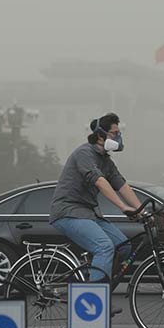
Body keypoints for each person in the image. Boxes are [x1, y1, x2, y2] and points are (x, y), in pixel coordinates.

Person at [50, 113, 142, 307]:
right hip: (68, 211)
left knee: (123, 246)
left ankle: (87, 283)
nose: (118, 137)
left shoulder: (106, 161)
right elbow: (100, 182)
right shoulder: (84, 154)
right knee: (104, 247)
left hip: (88, 213)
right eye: (115, 133)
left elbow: (122, 185)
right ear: (101, 135)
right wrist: (123, 207)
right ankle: (95, 302)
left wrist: (140, 210)